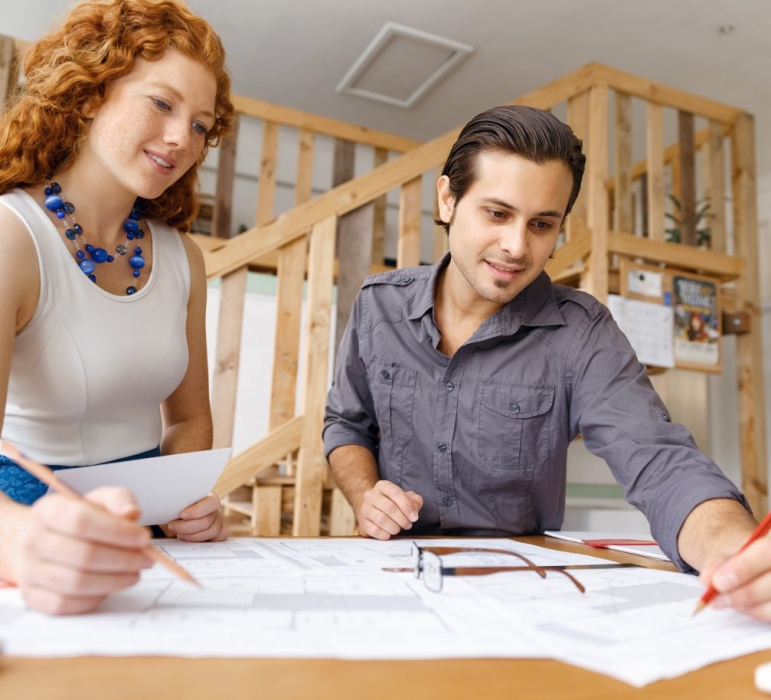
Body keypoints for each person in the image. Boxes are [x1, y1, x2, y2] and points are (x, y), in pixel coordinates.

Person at [324, 105, 771, 621]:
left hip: (518, 597)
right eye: (497, 213)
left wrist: (735, 551)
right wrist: (364, 494)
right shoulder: (378, 305)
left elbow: (658, 457)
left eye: (541, 224)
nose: (517, 246)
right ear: (448, 198)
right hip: (390, 581)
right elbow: (347, 424)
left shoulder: (581, 333)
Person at [0, 0, 235, 614]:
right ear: (92, 92)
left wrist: (185, 502)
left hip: (144, 537)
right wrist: (26, 544)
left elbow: (187, 423)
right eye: (161, 103)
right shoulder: (6, 239)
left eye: (201, 125)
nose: (183, 139)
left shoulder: (184, 259)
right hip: (21, 536)